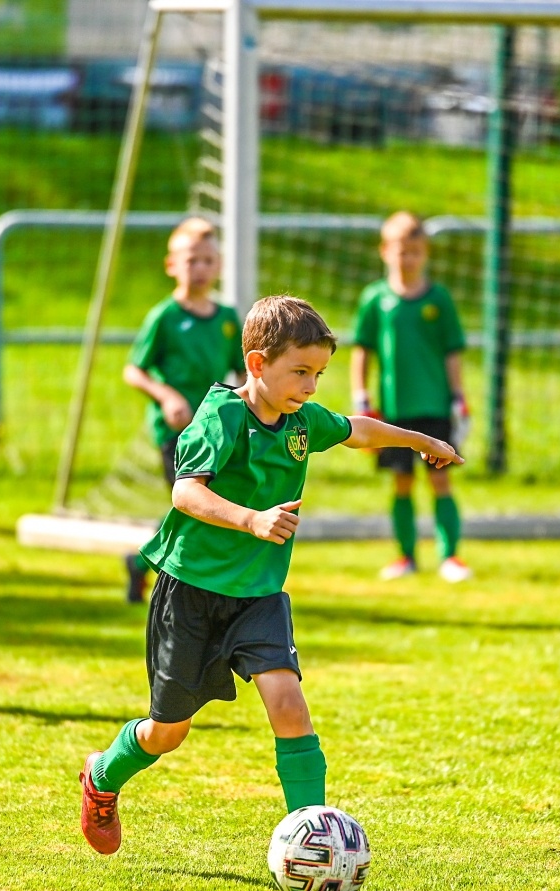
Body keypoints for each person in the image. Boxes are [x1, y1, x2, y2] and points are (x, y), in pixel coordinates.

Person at [78, 295, 462, 855]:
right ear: (257, 364)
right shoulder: (223, 416)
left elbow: (355, 429)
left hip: (258, 597)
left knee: (287, 703)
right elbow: (186, 492)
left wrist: (420, 440)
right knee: (168, 732)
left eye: (318, 374)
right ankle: (103, 776)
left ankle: (317, 840)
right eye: (300, 372)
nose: (310, 387)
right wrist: (251, 519)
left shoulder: (301, 421)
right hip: (190, 593)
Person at [121, 217, 245, 602]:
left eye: (208, 260)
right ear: (172, 265)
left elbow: (242, 370)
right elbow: (133, 370)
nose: (201, 268)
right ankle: (175, 579)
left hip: (215, 428)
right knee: (194, 504)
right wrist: (168, 396)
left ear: (219, 265)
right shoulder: (165, 316)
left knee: (206, 505)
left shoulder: (226, 319)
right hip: (175, 431)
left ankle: (143, 564)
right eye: (192, 260)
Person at [349, 211, 472, 583]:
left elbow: (452, 353)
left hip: (434, 407)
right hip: (392, 411)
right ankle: (406, 556)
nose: (409, 259)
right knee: (402, 482)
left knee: (441, 479)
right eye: (402, 251)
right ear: (385, 251)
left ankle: (450, 557)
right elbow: (362, 351)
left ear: (426, 254)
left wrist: (458, 398)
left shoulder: (439, 300)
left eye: (416, 252)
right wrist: (361, 396)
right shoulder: (376, 300)